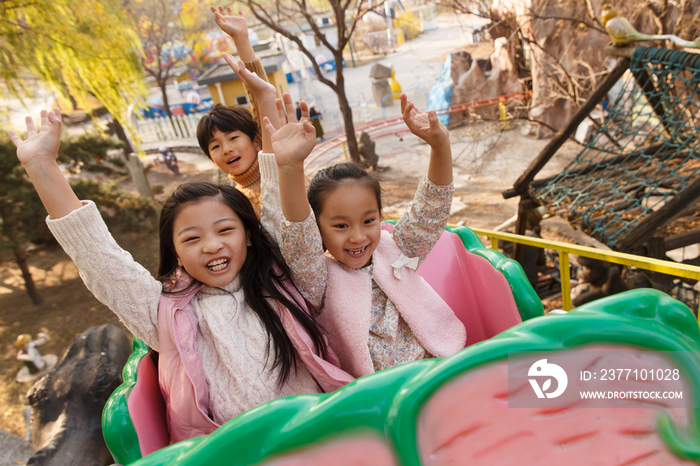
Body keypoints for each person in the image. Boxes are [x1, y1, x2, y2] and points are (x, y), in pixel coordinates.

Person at [8, 109, 353, 443]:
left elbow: (282, 213)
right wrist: (41, 166)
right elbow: (102, 262)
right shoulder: (168, 313)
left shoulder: (278, 277)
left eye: (224, 230)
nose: (211, 246)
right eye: (191, 238)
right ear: (174, 251)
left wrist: (283, 156)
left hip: (318, 435)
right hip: (232, 454)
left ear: (248, 234)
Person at [264, 94, 466, 379]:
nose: (358, 236)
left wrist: (440, 146)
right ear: (318, 230)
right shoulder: (317, 279)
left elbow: (430, 209)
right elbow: (299, 237)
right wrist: (289, 169)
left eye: (369, 220)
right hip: (378, 397)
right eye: (341, 226)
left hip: (439, 370)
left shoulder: (395, 248)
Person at [196, 7, 296, 220]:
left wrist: (241, 39)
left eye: (233, 138)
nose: (226, 149)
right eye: (215, 146)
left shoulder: (280, 162)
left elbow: (261, 98)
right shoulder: (232, 203)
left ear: (258, 141)